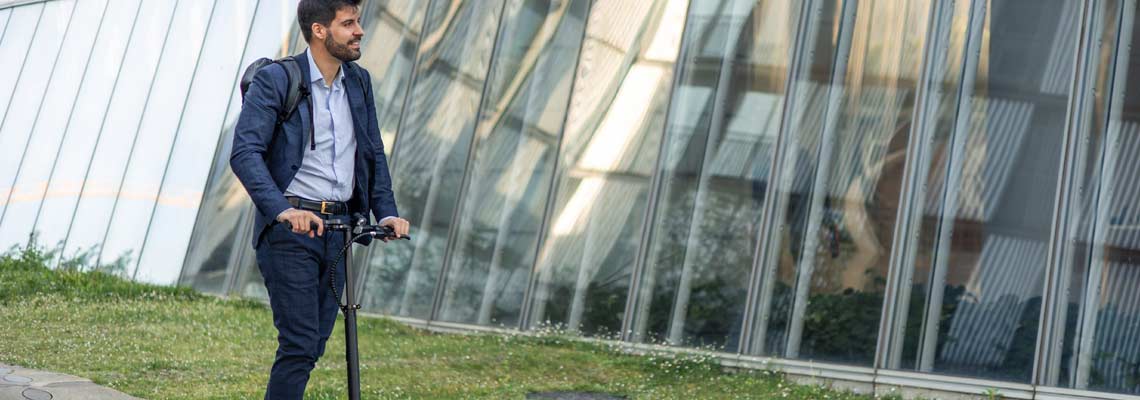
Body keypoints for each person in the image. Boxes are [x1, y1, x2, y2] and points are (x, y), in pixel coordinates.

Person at [230, 0, 410, 398]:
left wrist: (388, 213)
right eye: (348, 23)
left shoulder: (358, 82)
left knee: (313, 346)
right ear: (319, 30)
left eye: (358, 21)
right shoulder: (278, 80)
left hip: (338, 231)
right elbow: (244, 153)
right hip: (292, 231)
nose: (359, 30)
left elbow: (372, 153)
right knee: (298, 345)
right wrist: (283, 211)